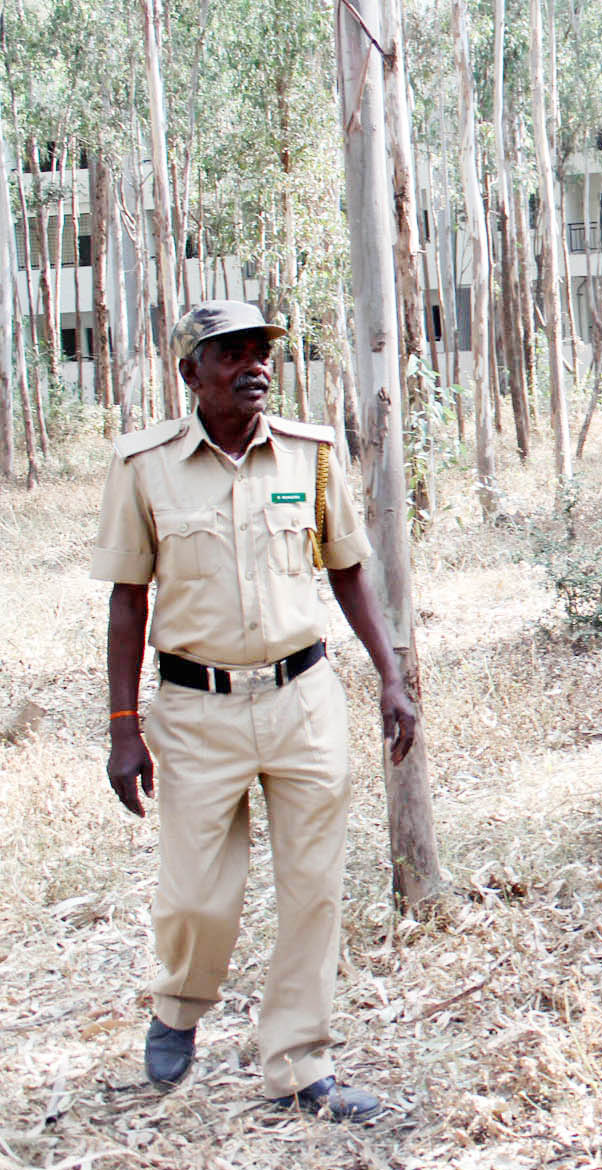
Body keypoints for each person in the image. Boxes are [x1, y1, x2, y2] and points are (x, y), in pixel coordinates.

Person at [93, 300, 418, 1121]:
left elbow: (347, 569)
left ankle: (300, 1065)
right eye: (230, 353)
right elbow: (128, 602)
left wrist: (390, 674)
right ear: (189, 374)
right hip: (194, 710)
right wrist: (123, 728)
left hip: (302, 699)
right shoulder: (145, 467)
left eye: (261, 351)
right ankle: (178, 1004)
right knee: (200, 892)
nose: (254, 365)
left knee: (314, 889)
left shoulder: (307, 457)